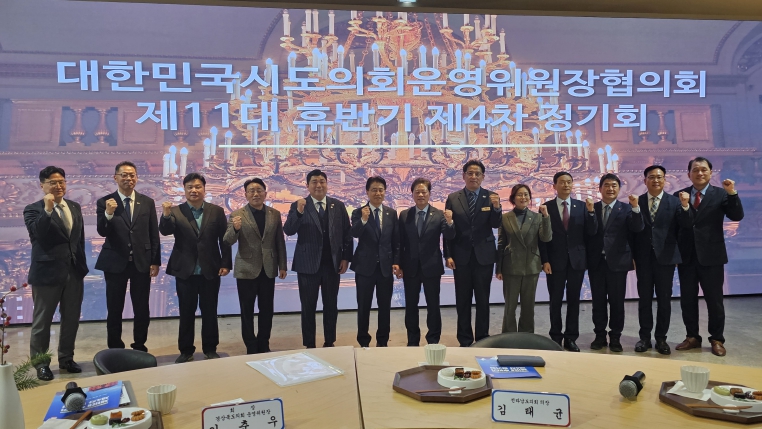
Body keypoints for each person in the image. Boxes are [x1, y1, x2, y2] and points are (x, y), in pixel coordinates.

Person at [23, 166, 89, 380]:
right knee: (42, 322)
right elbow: (39, 234)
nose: (58, 186)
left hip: (73, 272)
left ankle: (66, 358)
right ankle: (41, 364)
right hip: (47, 273)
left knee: (71, 319)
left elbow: (78, 240)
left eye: (61, 181)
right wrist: (48, 209)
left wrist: (81, 265)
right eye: (53, 182)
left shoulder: (74, 206)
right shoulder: (32, 209)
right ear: (42, 185)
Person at [674, 157, 744, 357]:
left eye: (704, 169)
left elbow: (736, 215)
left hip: (712, 256)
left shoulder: (721, 194)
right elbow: (677, 225)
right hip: (687, 256)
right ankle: (692, 337)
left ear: (711, 173)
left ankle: (717, 339)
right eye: (695, 170)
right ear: (689, 174)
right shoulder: (679, 195)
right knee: (687, 300)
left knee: (714, 301)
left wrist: (732, 193)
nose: (700, 173)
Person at [159, 173, 231, 363]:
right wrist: (165, 215)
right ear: (184, 190)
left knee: (210, 312)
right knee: (186, 312)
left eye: (198, 186)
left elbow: (224, 239)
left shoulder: (216, 211)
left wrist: (225, 263)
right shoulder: (175, 211)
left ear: (204, 189)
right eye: (190, 187)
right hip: (185, 271)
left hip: (210, 269)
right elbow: (165, 231)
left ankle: (210, 349)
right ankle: (186, 350)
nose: (194, 190)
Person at [95, 161, 161, 352]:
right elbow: (102, 231)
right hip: (115, 262)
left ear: (137, 178)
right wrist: (108, 213)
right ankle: (115, 347)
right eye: (124, 175)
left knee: (142, 307)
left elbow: (153, 234)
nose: (128, 178)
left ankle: (139, 345)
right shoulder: (105, 202)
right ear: (115, 178)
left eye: (132, 175)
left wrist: (155, 261)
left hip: (141, 262)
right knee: (114, 307)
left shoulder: (147, 202)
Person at [283, 170, 353, 348]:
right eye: (314, 182)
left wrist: (345, 258)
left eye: (322, 181)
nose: (319, 185)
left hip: (332, 265)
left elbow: (347, 233)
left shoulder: (337, 205)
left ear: (327, 184)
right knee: (308, 307)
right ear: (307, 185)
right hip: (307, 265)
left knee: (331, 306)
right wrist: (299, 213)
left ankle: (330, 341)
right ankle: (310, 344)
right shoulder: (299, 205)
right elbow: (288, 230)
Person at [224, 178, 287, 354]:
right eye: (251, 191)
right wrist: (235, 229)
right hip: (246, 269)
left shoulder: (274, 214)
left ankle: (264, 343)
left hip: (268, 268)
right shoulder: (237, 215)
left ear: (265, 193)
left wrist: (282, 265)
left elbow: (279, 241)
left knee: (267, 309)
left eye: (259, 190)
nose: (256, 194)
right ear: (245, 195)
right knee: (247, 311)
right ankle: (251, 346)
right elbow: (227, 240)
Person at [444, 160, 502, 347]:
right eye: (470, 173)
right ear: (463, 176)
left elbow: (495, 224)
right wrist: (448, 255)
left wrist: (497, 209)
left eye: (477, 174)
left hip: (484, 257)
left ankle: (483, 338)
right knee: (463, 300)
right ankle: (465, 339)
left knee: (483, 300)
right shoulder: (453, 198)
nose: (473, 176)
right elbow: (448, 230)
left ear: (483, 177)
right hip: (461, 257)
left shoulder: (491, 197)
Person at [585, 174, 643, 352]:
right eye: (607, 185)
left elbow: (637, 228)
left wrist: (636, 208)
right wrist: (590, 213)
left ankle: (616, 337)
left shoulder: (626, 208)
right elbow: (589, 232)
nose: (610, 189)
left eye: (614, 185)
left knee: (617, 302)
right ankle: (600, 336)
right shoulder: (591, 208)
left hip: (618, 262)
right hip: (596, 262)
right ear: (600, 188)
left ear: (619, 189)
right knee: (598, 302)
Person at [539, 171, 597, 351]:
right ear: (554, 186)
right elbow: (542, 238)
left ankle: (571, 337)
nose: (566, 185)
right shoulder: (545, 207)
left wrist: (592, 213)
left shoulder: (582, 206)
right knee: (555, 300)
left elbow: (591, 233)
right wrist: (544, 260)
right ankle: (555, 337)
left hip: (576, 261)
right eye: (562, 182)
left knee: (574, 300)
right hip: (554, 262)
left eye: (569, 182)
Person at [632, 165, 686, 355]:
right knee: (644, 299)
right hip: (644, 258)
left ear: (665, 180)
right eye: (651, 177)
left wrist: (686, 207)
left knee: (664, 300)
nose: (655, 180)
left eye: (659, 177)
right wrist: (633, 256)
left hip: (666, 258)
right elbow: (633, 232)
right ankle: (644, 337)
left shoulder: (675, 202)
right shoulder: (637, 202)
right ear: (645, 180)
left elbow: (684, 227)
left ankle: (661, 338)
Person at [398, 178, 455, 346]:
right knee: (411, 306)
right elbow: (400, 242)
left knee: (433, 306)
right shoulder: (405, 215)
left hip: (432, 266)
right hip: (410, 267)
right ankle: (412, 340)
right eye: (417, 192)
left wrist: (450, 223)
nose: (421, 195)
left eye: (424, 192)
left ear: (429, 194)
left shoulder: (439, 214)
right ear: (412, 194)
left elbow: (449, 237)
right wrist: (398, 263)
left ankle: (433, 340)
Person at [351, 176, 400, 347]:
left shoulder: (391, 213)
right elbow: (354, 233)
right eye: (374, 190)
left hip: (385, 268)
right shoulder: (358, 212)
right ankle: (363, 341)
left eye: (381, 190)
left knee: (384, 307)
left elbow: (396, 241)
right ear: (367, 192)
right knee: (363, 307)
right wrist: (363, 220)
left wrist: (396, 261)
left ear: (385, 192)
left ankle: (382, 341)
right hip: (364, 268)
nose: (378, 193)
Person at [495, 184, 551, 334]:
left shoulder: (538, 217)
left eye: (526, 194)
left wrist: (546, 217)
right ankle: (509, 336)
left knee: (528, 306)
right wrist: (498, 268)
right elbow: (501, 244)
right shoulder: (505, 218)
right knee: (510, 307)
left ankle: (526, 336)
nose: (523, 197)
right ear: (513, 198)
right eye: (519, 194)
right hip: (510, 266)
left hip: (531, 266)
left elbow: (546, 238)